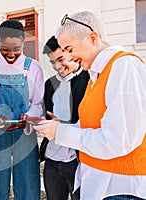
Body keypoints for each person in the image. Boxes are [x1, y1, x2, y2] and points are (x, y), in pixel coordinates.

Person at [33, 11, 146, 200]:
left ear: (93, 38)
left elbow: (117, 141)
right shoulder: (97, 75)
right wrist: (58, 128)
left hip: (121, 188)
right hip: (100, 185)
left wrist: (61, 133)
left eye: (70, 49)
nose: (69, 57)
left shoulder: (124, 66)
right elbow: (91, 127)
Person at [0, 19, 44, 200]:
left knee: (28, 187)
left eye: (16, 49)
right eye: (5, 49)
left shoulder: (33, 68)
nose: (11, 54)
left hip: (24, 134)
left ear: (23, 43)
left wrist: (29, 116)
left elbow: (38, 104)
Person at [40, 35, 89, 200]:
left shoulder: (89, 80)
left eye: (61, 59)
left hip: (77, 160)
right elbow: (45, 114)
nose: (57, 66)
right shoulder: (49, 85)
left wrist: (62, 126)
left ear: (71, 52)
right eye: (53, 62)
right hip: (52, 160)